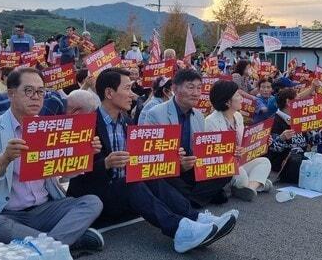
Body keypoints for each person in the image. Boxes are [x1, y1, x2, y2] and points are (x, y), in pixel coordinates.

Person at [68, 68, 237, 253]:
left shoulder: (126, 122)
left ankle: (196, 218)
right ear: (109, 93)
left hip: (129, 194)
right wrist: (106, 163)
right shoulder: (85, 125)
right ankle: (179, 230)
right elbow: (74, 173)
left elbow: (142, 162)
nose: (133, 95)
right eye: (127, 88)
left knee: (150, 176)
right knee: (129, 183)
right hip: (97, 196)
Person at [0, 68, 105, 252]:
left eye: (40, 92)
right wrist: (4, 158)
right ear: (11, 94)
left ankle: (45, 247)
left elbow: (63, 173)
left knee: (92, 202)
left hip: (45, 209)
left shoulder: (47, 128)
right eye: (29, 91)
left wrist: (85, 154)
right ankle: (65, 243)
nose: (36, 97)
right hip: (8, 213)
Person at [144, 69, 233, 207]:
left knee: (226, 170)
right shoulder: (155, 114)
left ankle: (187, 200)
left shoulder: (198, 115)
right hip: (169, 172)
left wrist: (228, 153)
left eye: (199, 88)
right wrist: (178, 165)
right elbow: (150, 157)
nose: (196, 93)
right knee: (163, 180)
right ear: (174, 88)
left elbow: (200, 151)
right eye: (190, 87)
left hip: (191, 169)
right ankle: (196, 198)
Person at [204, 80, 272, 201]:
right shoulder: (210, 122)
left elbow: (244, 143)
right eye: (237, 95)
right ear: (227, 101)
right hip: (224, 166)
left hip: (240, 161)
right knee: (242, 176)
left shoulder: (238, 116)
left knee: (265, 162)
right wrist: (231, 151)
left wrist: (262, 139)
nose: (241, 98)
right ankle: (258, 183)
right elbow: (210, 155)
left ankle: (250, 189)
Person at [267, 88, 322, 173]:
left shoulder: (301, 118)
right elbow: (271, 148)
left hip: (304, 157)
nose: (301, 103)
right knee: (300, 163)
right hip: (285, 162)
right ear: (288, 102)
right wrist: (282, 138)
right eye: (298, 100)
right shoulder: (274, 121)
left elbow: (313, 141)